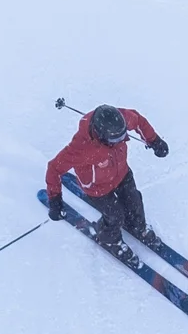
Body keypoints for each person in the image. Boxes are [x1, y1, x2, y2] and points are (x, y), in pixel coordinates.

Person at [46, 104, 169, 252]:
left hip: (122, 173)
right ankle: (110, 240)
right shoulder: (81, 148)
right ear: (101, 136)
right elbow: (54, 168)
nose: (120, 140)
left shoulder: (121, 119)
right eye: (115, 139)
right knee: (115, 216)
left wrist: (154, 140)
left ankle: (138, 226)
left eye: (122, 136)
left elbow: (138, 121)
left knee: (134, 201)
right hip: (97, 187)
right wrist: (55, 200)